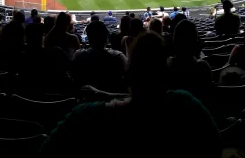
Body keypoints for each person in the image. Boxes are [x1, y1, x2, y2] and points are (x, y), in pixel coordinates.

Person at [40, 32, 221, 158]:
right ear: (167, 74)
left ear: (128, 75)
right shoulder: (186, 106)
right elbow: (214, 147)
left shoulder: (85, 115)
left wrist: (102, 95)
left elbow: (46, 151)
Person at [69, 20, 128, 93]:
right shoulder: (118, 57)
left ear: (89, 38)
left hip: (85, 101)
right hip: (113, 100)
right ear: (106, 37)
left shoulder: (78, 56)